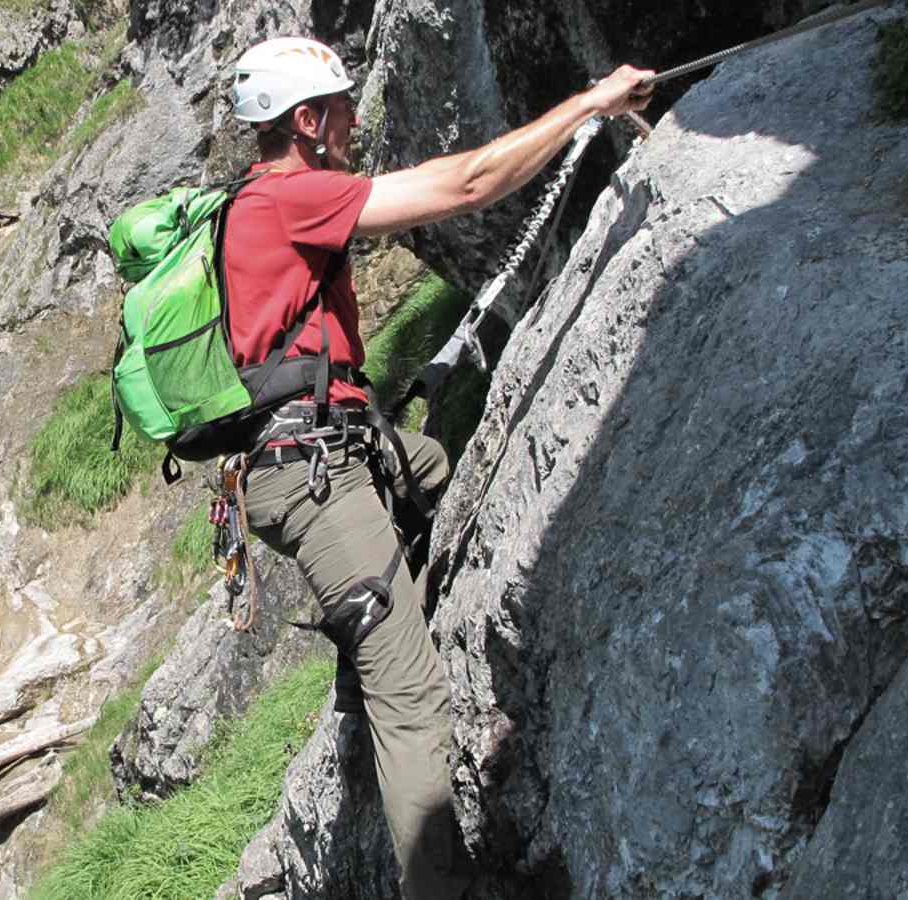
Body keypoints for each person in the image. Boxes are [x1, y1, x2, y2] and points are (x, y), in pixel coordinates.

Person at [222, 36, 653, 897]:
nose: (352, 119)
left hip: (334, 448)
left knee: (429, 468)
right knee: (411, 697)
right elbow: (462, 188)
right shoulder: (292, 198)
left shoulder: (253, 203)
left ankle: (371, 635)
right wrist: (589, 104)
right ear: (306, 122)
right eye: (341, 108)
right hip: (316, 471)